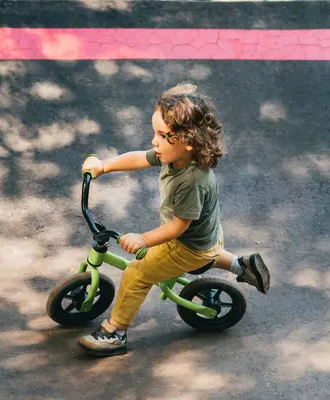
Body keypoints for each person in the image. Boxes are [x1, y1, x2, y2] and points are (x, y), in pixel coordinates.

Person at [77, 83, 270, 357]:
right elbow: (139, 158)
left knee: (137, 273)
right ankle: (242, 266)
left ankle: (115, 332)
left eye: (161, 134)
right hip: (207, 236)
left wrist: (143, 239)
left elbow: (179, 227)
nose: (154, 140)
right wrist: (104, 166)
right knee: (207, 252)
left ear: (187, 141)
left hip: (187, 244)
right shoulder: (175, 155)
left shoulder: (191, 181)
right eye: (154, 132)